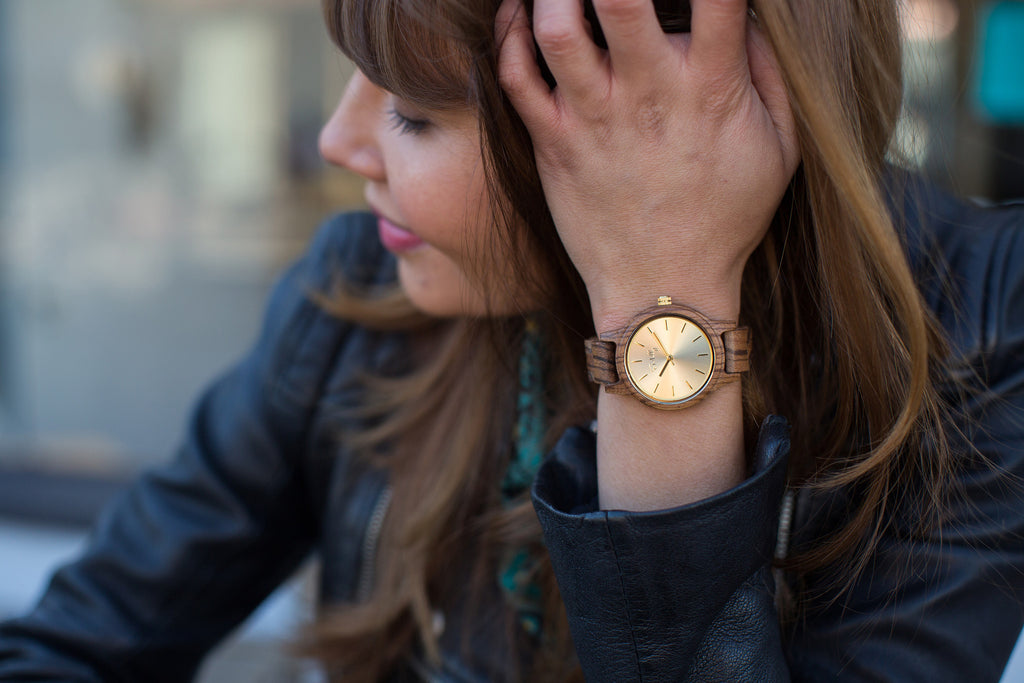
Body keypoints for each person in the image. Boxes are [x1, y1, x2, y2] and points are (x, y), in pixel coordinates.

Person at [2, 0, 1023, 680]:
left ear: (672, 128)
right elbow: (77, 641)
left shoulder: (974, 334)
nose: (335, 144)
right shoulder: (360, 291)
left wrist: (657, 296)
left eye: (412, 111)